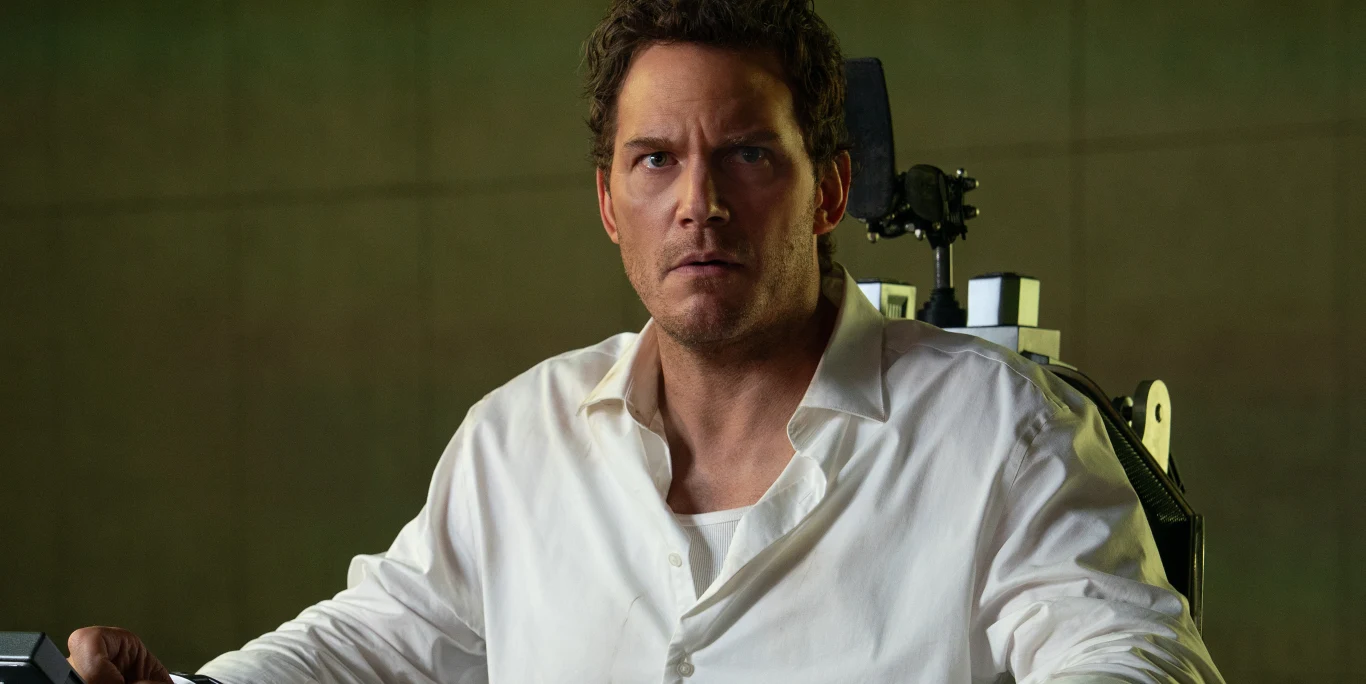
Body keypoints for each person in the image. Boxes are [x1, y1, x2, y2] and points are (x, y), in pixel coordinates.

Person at [68, 0, 1225, 682]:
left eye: (747, 156)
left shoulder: (1000, 429)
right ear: (608, 202)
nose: (698, 205)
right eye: (656, 160)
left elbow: (1129, 657)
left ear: (829, 190)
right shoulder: (518, 439)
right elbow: (375, 642)